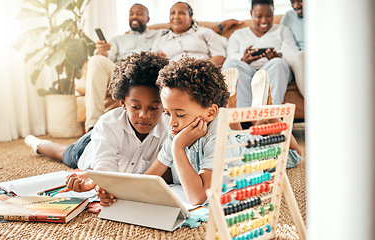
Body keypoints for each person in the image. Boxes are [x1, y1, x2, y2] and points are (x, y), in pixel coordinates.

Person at [98, 58, 302, 206]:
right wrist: (117, 193)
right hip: (228, 135)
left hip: (246, 152)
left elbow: (198, 197)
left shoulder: (209, 140)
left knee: (293, 155)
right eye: (167, 113)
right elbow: (149, 177)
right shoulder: (174, 133)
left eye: (179, 114)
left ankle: (268, 112)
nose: (172, 123)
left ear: (210, 112)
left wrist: (178, 148)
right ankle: (232, 110)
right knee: (235, 132)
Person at [25, 52, 170, 192]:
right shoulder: (108, 124)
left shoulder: (169, 128)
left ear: (163, 105)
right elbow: (106, 176)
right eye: (136, 107)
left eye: (153, 107)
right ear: (123, 103)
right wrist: (99, 184)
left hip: (109, 136)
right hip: (90, 145)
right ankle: (36, 143)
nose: (144, 115)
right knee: (62, 153)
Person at [84, 3, 166, 132]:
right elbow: (106, 59)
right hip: (121, 72)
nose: (134, 17)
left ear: (148, 19)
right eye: (131, 14)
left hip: (147, 73)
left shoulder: (160, 35)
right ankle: (92, 126)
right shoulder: (118, 40)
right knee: (96, 60)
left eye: (139, 14)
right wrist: (102, 52)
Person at [222, 0, 299, 108]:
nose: (264, 20)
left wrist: (279, 56)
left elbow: (293, 54)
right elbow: (230, 57)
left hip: (273, 69)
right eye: (259, 16)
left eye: (269, 15)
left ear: (273, 13)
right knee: (230, 64)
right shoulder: (238, 34)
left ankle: (270, 115)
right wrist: (243, 59)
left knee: (278, 63)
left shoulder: (282, 31)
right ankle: (244, 116)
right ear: (251, 14)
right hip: (248, 70)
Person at [151, 2, 243, 66]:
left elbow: (219, 56)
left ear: (190, 18)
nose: (176, 17)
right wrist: (158, 60)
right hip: (172, 76)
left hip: (202, 72)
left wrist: (201, 67)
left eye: (182, 13)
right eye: (173, 13)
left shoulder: (205, 32)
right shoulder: (159, 41)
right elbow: (153, 66)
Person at [280, 0, 305, 97]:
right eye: (292, 1)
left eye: (300, 1)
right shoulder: (288, 17)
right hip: (302, 60)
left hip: (323, 54)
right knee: (298, 56)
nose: (296, 6)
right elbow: (280, 40)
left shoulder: (326, 13)